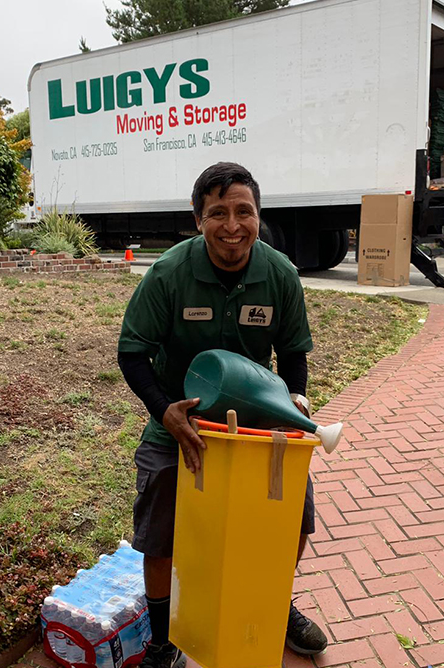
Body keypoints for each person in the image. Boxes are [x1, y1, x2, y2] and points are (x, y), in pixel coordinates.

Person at [118, 162, 328, 668]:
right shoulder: (168, 273)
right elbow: (131, 352)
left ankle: (275, 607)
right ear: (198, 219)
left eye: (243, 211)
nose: (232, 225)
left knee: (293, 517)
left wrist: (295, 398)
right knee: (157, 532)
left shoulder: (280, 274)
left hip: (257, 423)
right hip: (178, 422)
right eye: (218, 213)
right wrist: (164, 410)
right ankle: (163, 638)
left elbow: (293, 352)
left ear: (258, 215)